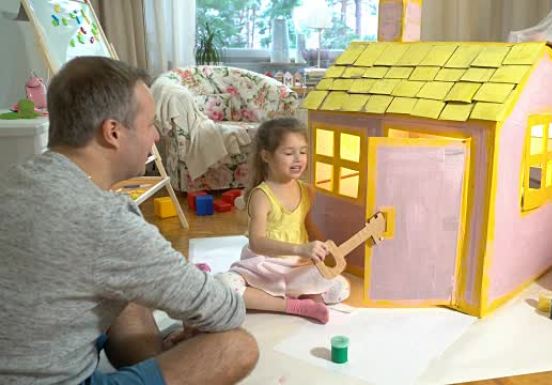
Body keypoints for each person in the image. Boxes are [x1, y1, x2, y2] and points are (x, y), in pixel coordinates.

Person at [0, 56, 258, 385]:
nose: (157, 136)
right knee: (236, 347)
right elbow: (226, 311)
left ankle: (152, 361)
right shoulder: (102, 218)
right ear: (113, 132)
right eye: (150, 123)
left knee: (126, 287)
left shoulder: (14, 180)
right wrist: (205, 310)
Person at [217, 118, 349, 324]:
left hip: (297, 266)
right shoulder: (262, 195)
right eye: (289, 153)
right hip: (264, 265)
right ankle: (293, 305)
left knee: (341, 287)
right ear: (266, 156)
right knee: (226, 286)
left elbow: (307, 225)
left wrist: (325, 250)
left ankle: (296, 294)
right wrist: (300, 249)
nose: (298, 159)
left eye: (303, 152)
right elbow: (256, 242)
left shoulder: (306, 191)